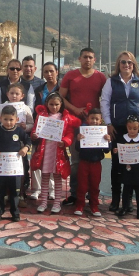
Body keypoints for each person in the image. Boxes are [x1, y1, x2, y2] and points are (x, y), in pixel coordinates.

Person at [100, 51, 139, 211]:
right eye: (123, 62)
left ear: (134, 65)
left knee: (134, 164)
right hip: (117, 128)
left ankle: (128, 201)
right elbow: (105, 102)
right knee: (117, 164)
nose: (126, 65)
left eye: (129, 62)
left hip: (136, 129)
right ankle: (115, 199)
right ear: (118, 64)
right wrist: (108, 123)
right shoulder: (111, 81)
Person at [60, 48, 107, 205]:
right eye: (85, 57)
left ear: (95, 59)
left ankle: (92, 194)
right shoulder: (70, 76)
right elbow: (61, 98)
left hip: (94, 127)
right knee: (76, 161)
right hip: (75, 124)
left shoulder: (101, 77)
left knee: (94, 162)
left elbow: (106, 99)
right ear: (79, 58)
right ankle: (75, 193)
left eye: (91, 57)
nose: (88, 59)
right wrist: (75, 110)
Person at [30, 92, 78, 214]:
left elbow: (70, 133)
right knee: (45, 176)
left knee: (57, 177)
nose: (54, 107)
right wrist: (35, 135)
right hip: (45, 151)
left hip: (58, 152)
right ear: (47, 104)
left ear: (61, 104)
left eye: (57, 104)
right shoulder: (42, 116)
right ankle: (44, 202)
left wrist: (65, 141)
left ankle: (57, 203)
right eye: (51, 104)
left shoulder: (65, 117)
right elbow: (35, 130)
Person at [0, 105, 31, 222]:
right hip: (1, 167)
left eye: (11, 120)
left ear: (16, 120)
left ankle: (15, 213)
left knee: (14, 192)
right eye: (6, 119)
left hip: (15, 168)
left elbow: (28, 140)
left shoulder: (19, 131)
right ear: (1, 118)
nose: (8, 122)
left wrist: (25, 148)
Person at [31, 62, 60, 199]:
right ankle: (37, 189)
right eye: (46, 72)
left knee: (53, 158)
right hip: (41, 125)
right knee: (38, 156)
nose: (49, 74)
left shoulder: (62, 89)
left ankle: (52, 189)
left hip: (56, 127)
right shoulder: (38, 89)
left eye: (51, 71)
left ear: (57, 72)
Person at [73, 108, 111, 217]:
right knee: (82, 186)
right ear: (88, 119)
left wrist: (108, 141)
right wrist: (78, 140)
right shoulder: (84, 131)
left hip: (96, 163)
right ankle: (79, 205)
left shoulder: (103, 132)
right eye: (92, 118)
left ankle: (94, 205)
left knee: (95, 186)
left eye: (96, 119)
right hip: (84, 163)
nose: (94, 121)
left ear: (100, 121)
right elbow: (78, 149)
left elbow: (107, 150)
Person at [113, 115, 139, 219]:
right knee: (126, 188)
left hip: (138, 168)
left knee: (138, 189)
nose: (132, 131)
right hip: (126, 168)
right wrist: (115, 151)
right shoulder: (122, 138)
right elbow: (117, 149)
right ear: (126, 127)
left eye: (135, 128)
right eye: (130, 128)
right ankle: (124, 208)